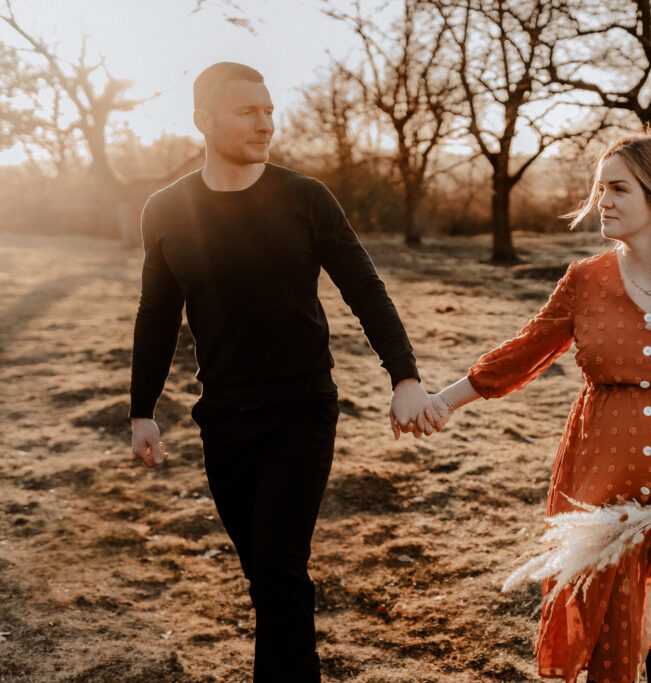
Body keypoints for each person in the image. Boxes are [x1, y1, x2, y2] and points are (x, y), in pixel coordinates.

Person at [128, 62, 438, 682]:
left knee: (276, 567)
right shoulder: (165, 210)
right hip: (222, 417)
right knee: (266, 575)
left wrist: (404, 376)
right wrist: (142, 410)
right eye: (248, 111)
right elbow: (157, 314)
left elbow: (364, 288)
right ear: (203, 121)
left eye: (269, 110)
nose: (266, 123)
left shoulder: (306, 198)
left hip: (301, 411)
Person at [422, 130, 651, 683]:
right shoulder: (585, 279)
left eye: (618, 189)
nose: (601, 201)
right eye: (601, 188)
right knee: (610, 622)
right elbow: (524, 352)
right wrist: (442, 402)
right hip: (600, 486)